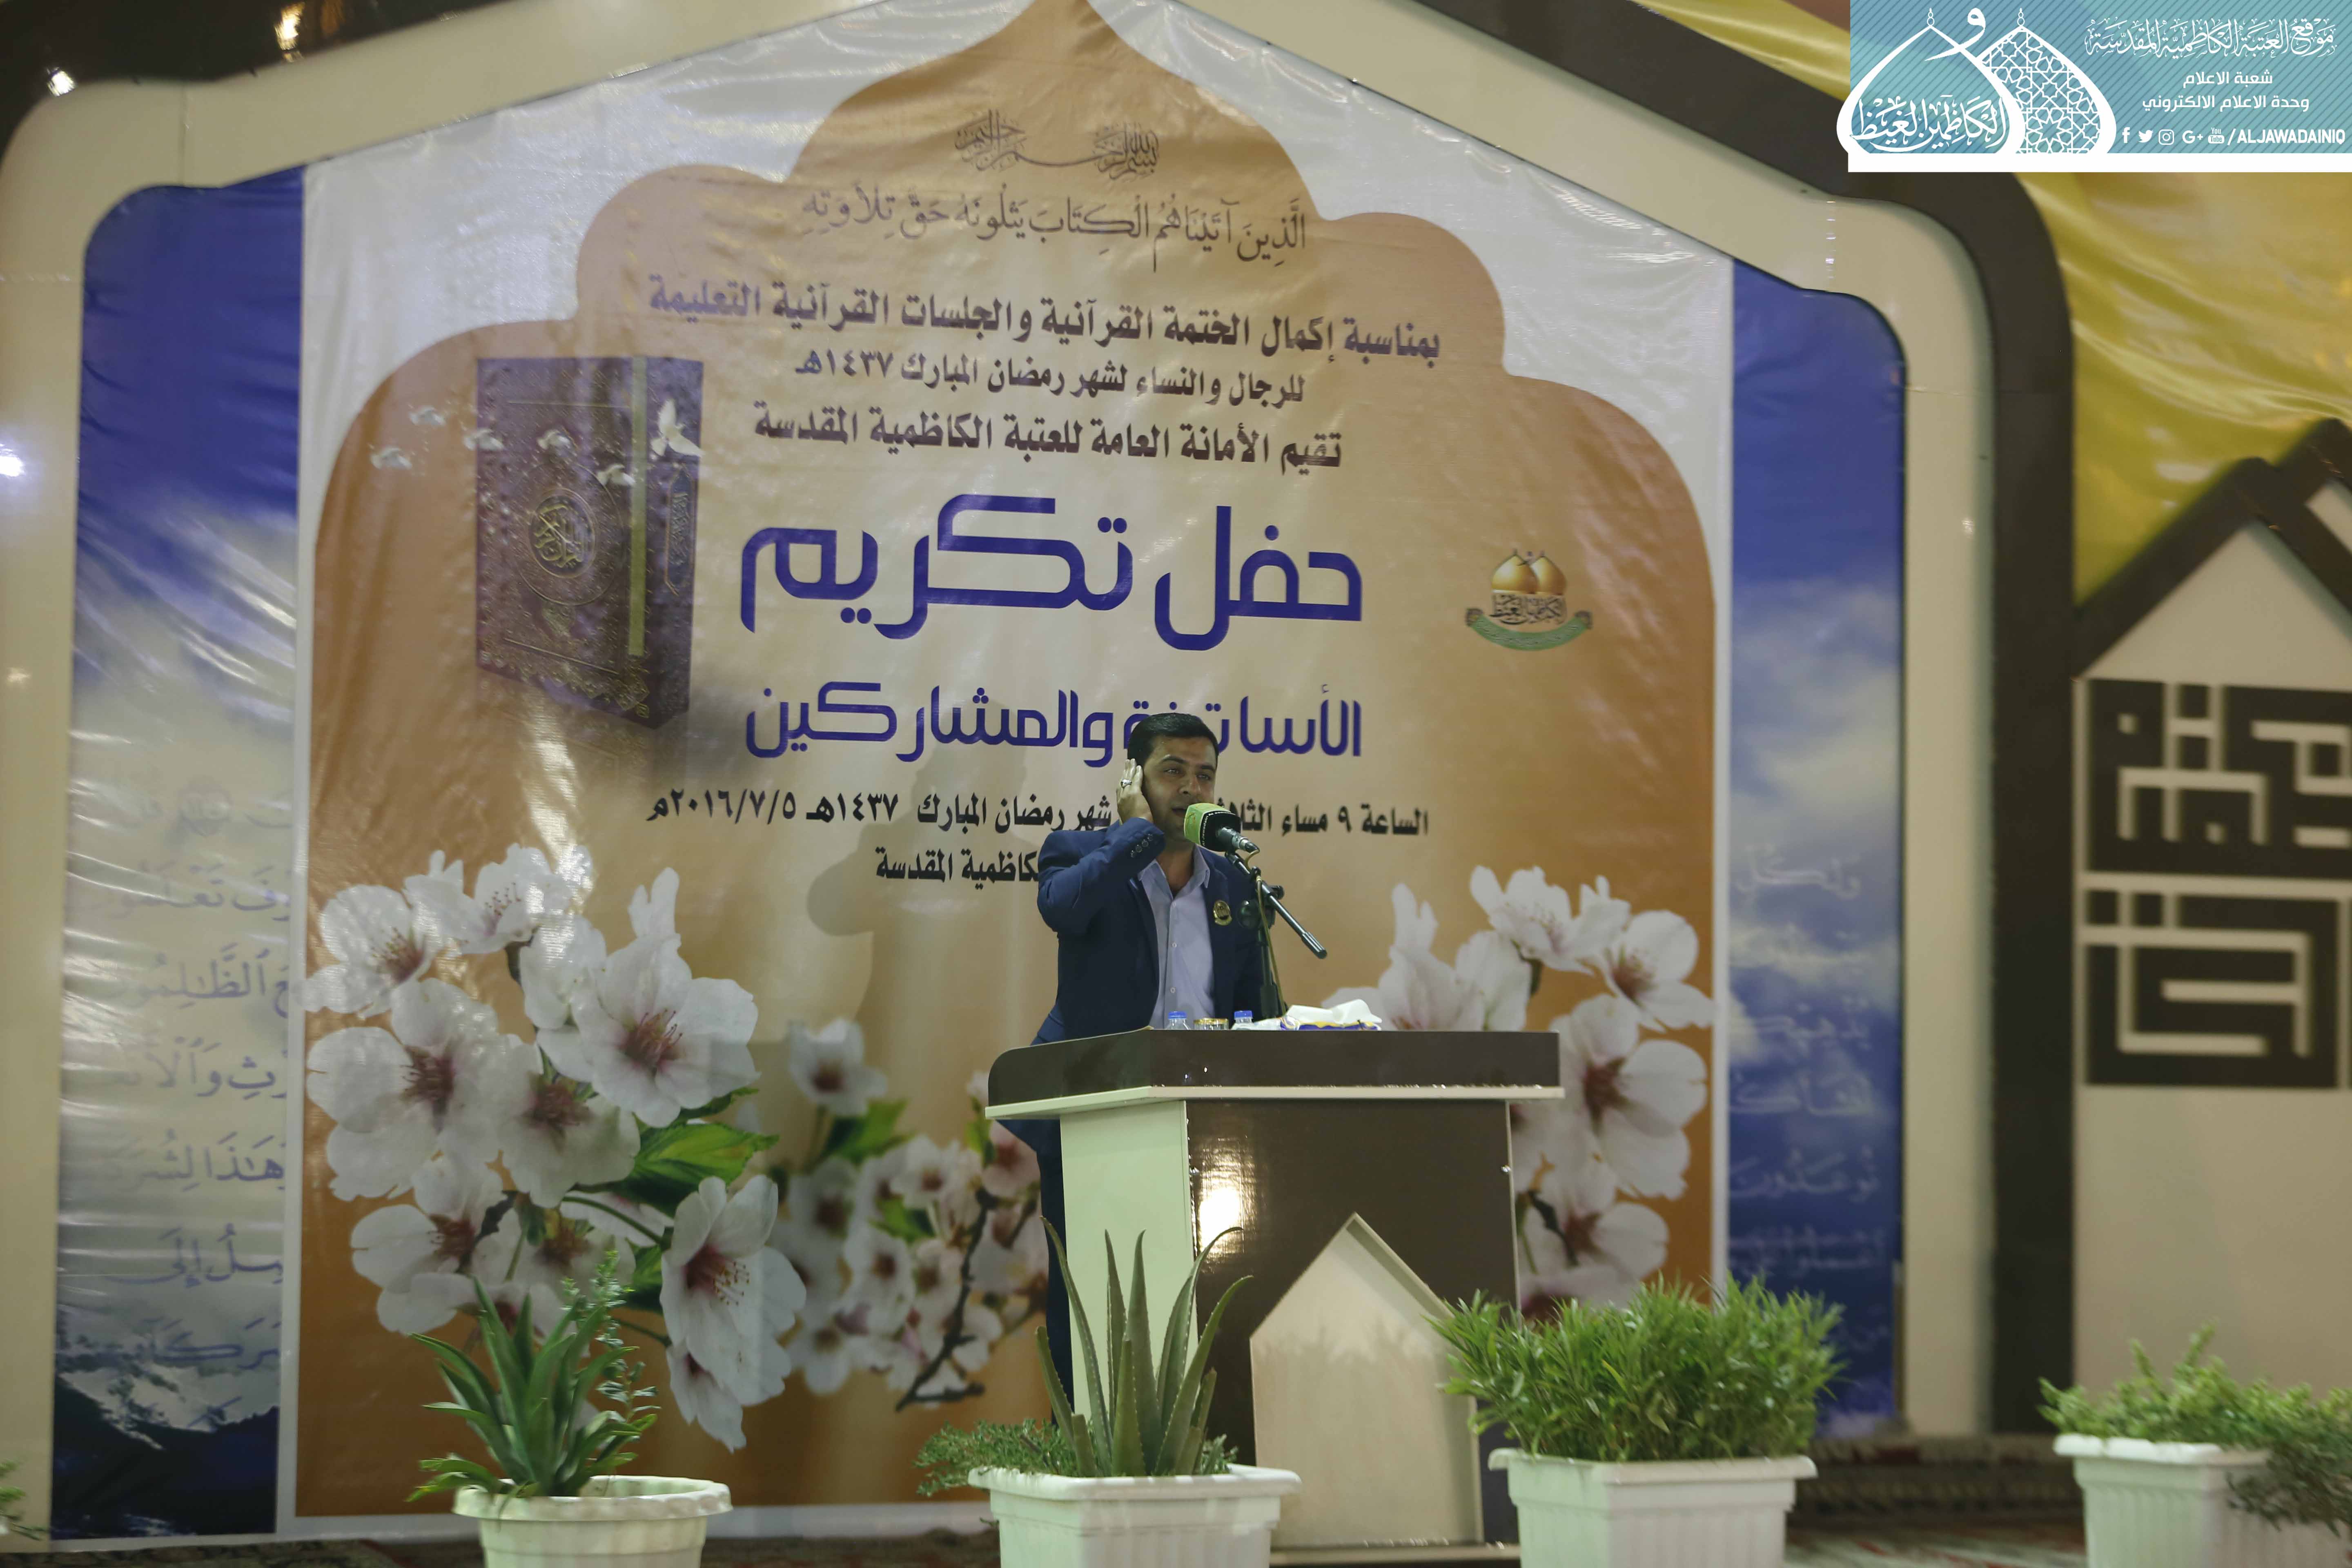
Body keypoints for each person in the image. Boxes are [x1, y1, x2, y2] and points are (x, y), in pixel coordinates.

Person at [1002, 711, 1267, 1391]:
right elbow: (1062, 910)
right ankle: (1080, 1434)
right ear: (1133, 779)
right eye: (1172, 771)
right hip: (1096, 1113)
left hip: (1204, 1124)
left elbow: (1251, 1009)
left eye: (1204, 775)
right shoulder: (1079, 853)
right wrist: (1134, 835)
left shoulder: (1233, 884)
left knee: (1203, 1293)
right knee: (1089, 1299)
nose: (1191, 788)